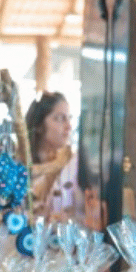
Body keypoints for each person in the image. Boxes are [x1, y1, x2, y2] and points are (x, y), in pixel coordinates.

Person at [27, 91, 96, 226]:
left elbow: (91, 212)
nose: (68, 126)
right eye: (59, 118)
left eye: (69, 118)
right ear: (39, 126)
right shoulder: (24, 166)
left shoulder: (76, 162)